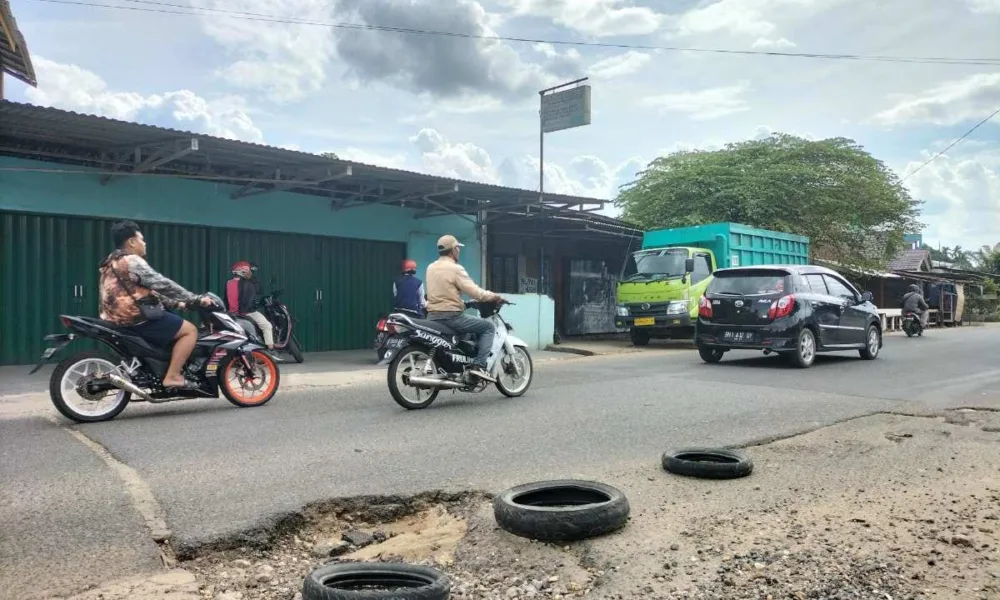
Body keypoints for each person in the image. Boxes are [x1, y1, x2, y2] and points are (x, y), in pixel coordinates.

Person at [98, 220, 212, 389]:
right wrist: (195, 299)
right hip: (136, 318)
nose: (144, 243)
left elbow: (147, 291)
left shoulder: (110, 263)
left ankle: (162, 367)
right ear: (131, 241)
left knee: (172, 320)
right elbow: (163, 284)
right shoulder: (132, 261)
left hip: (117, 319)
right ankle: (172, 376)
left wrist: (180, 304)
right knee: (190, 331)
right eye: (142, 239)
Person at [425, 234, 504, 382]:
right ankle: (479, 367)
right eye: (458, 248)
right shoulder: (455, 269)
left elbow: (443, 293)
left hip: (432, 316)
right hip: (451, 317)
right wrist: (494, 296)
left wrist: (463, 304)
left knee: (470, 332)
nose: (459, 251)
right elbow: (476, 293)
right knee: (488, 327)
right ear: (453, 250)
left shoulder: (431, 267)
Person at [226, 260, 274, 349]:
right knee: (267, 326)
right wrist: (251, 278)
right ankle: (270, 348)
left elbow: (226, 300)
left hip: (232, 313)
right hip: (247, 312)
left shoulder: (228, 283)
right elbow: (259, 290)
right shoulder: (248, 283)